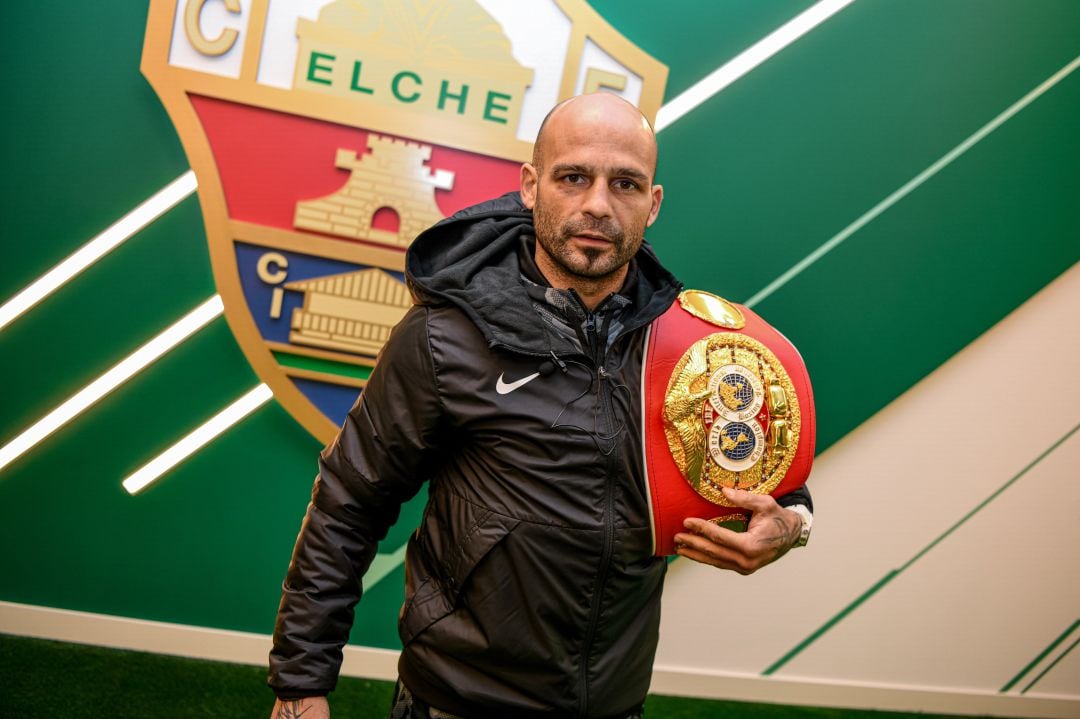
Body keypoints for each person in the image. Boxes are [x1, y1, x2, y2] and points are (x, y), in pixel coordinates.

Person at [268, 92, 813, 719]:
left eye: (626, 183)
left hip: (613, 705)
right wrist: (299, 686)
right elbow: (348, 503)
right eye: (573, 177)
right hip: (456, 701)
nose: (598, 205)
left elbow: (778, 482)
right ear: (531, 186)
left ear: (653, 204)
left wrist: (791, 529)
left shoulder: (694, 346)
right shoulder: (445, 336)